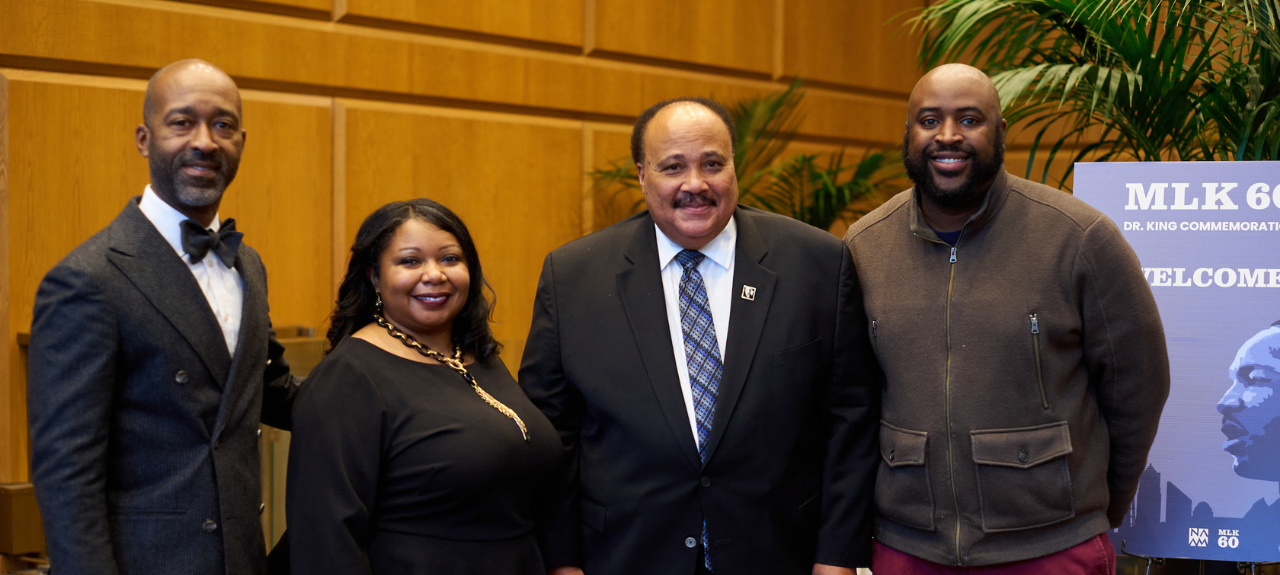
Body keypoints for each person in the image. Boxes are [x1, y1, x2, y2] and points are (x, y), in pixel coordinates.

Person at [519, 97, 880, 575]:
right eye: (673, 167)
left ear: (735, 168)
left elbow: (850, 421)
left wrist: (836, 559)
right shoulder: (573, 278)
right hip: (625, 556)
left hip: (777, 553)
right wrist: (562, 563)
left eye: (713, 164)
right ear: (642, 174)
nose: (696, 184)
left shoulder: (817, 264)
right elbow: (550, 438)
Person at [843, 63, 1171, 573]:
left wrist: (1093, 509)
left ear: (1000, 133)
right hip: (908, 549)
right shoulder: (864, 246)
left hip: (1051, 547)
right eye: (929, 121)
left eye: (968, 119)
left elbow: (1138, 388)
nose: (947, 136)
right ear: (907, 135)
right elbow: (852, 400)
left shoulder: (1079, 238)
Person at [27, 59, 300, 575]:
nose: (204, 141)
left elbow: (272, 390)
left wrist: (397, 390)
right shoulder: (88, 279)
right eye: (181, 122)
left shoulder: (249, 265)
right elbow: (67, 475)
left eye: (222, 125)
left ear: (242, 140)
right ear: (144, 138)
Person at [285, 199, 560, 574]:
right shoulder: (348, 377)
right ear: (374, 276)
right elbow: (326, 541)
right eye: (410, 261)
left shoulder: (478, 358)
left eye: (450, 259)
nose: (435, 274)